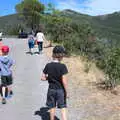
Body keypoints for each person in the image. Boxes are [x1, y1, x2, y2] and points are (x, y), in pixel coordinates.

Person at [41, 45, 68, 120]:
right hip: (60, 90)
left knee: (52, 107)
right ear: (61, 55)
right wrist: (66, 92)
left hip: (51, 89)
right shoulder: (63, 66)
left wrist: (49, 77)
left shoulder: (48, 65)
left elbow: (42, 78)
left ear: (53, 54)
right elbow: (64, 81)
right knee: (63, 107)